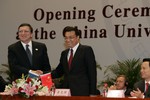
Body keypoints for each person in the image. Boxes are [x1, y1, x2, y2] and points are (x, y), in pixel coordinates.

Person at [52, 26, 97, 96]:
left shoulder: (86, 50)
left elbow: (92, 73)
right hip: (66, 92)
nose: (68, 40)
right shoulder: (64, 53)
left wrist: (93, 93)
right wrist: (43, 74)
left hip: (82, 92)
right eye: (66, 38)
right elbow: (58, 72)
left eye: (71, 37)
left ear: (78, 37)